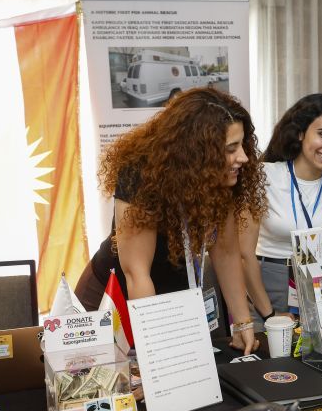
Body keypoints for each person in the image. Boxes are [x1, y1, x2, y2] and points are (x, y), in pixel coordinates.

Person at [75, 88, 266, 354]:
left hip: (175, 296)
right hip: (117, 298)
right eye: (231, 149)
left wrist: (242, 323)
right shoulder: (140, 175)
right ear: (196, 151)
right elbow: (137, 274)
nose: (243, 157)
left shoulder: (221, 174)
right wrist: (157, 361)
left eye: (242, 145)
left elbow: (226, 250)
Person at [240, 94, 322, 323]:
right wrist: (269, 314)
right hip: (266, 284)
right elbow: (244, 255)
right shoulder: (262, 176)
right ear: (301, 133)